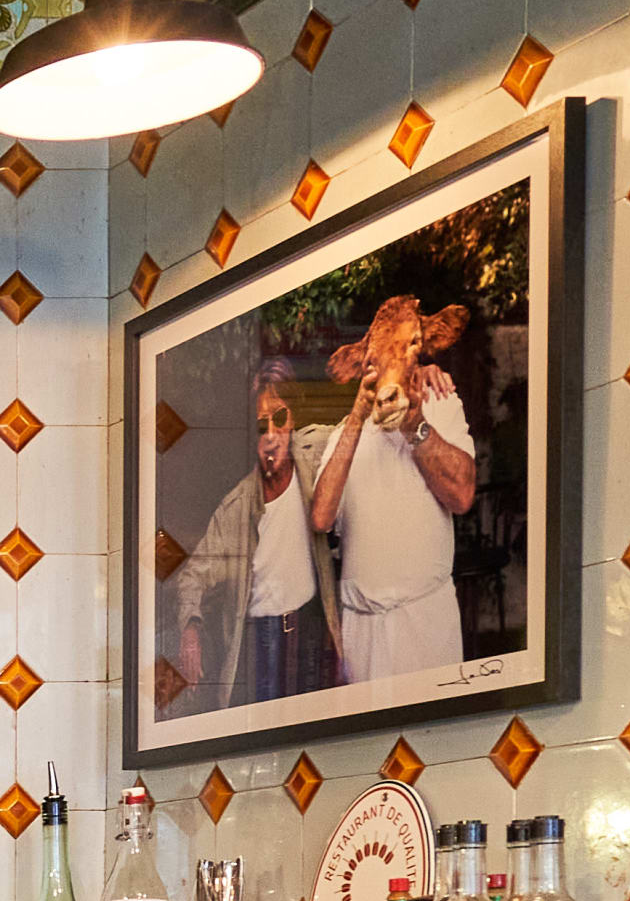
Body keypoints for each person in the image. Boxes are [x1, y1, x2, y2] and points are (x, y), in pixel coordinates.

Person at [308, 306, 479, 689]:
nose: (392, 362)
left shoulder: (440, 403)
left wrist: (413, 422)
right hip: (360, 630)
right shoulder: (343, 435)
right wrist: (357, 414)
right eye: (377, 356)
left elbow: (463, 494)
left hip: (424, 620)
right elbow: (320, 518)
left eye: (408, 347)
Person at [156, 363, 334, 717]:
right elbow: (193, 577)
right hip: (261, 642)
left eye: (279, 417)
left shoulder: (316, 451)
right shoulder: (235, 507)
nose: (271, 433)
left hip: (314, 629)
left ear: (292, 418)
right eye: (259, 425)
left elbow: (366, 428)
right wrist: (190, 632)